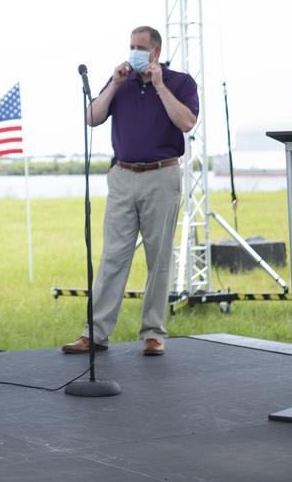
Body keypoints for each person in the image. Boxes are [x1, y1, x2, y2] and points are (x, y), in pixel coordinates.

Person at [61, 26, 198, 358]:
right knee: (113, 257)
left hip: (161, 176)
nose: (133, 52)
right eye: (130, 46)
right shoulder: (120, 83)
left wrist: (160, 86)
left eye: (140, 47)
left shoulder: (181, 82)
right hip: (122, 176)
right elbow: (92, 118)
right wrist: (114, 85)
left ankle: (153, 334)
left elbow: (187, 122)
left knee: (159, 259)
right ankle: (94, 333)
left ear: (155, 52)